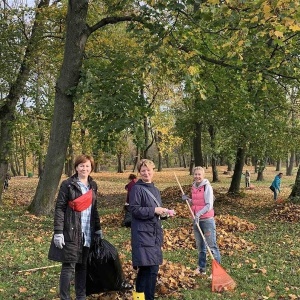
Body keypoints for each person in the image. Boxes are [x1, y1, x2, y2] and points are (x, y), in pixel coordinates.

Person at [48, 154, 102, 300]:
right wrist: (58, 232)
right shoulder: (68, 184)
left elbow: (94, 209)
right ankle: (65, 297)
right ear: (76, 167)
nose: (84, 168)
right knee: (69, 267)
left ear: (91, 168)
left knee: (82, 267)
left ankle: (81, 296)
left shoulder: (93, 185)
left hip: (87, 231)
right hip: (71, 230)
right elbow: (60, 208)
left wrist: (97, 229)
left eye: (87, 166)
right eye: (81, 165)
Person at [129, 159, 173, 300]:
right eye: (143, 171)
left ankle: (145, 297)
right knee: (148, 268)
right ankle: (143, 298)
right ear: (139, 172)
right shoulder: (137, 188)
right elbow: (134, 210)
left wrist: (164, 213)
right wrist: (154, 209)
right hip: (142, 235)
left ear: (153, 171)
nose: (146, 173)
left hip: (154, 234)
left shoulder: (155, 189)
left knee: (152, 269)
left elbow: (156, 212)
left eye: (148, 170)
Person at [182, 166, 221, 276]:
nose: (197, 176)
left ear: (203, 175)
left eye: (199, 174)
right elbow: (196, 203)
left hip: (207, 220)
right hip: (196, 220)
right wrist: (188, 200)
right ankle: (201, 268)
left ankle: (216, 272)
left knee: (212, 246)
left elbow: (209, 205)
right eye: (195, 174)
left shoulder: (207, 187)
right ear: (193, 175)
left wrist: (198, 214)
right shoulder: (194, 186)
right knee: (201, 247)